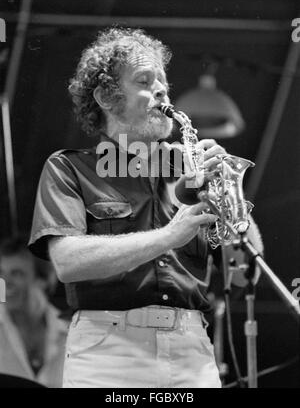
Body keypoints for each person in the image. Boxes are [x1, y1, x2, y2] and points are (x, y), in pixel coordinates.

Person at [28, 27, 262, 388]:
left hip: (192, 349)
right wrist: (169, 236)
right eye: (144, 80)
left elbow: (246, 273)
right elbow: (68, 262)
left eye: (163, 82)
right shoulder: (68, 168)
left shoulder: (189, 170)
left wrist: (229, 190)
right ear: (106, 96)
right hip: (108, 351)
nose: (161, 90)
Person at [0, 236, 68, 387]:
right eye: (1, 273)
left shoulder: (71, 332)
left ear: (43, 280)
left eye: (16, 273)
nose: (5, 283)